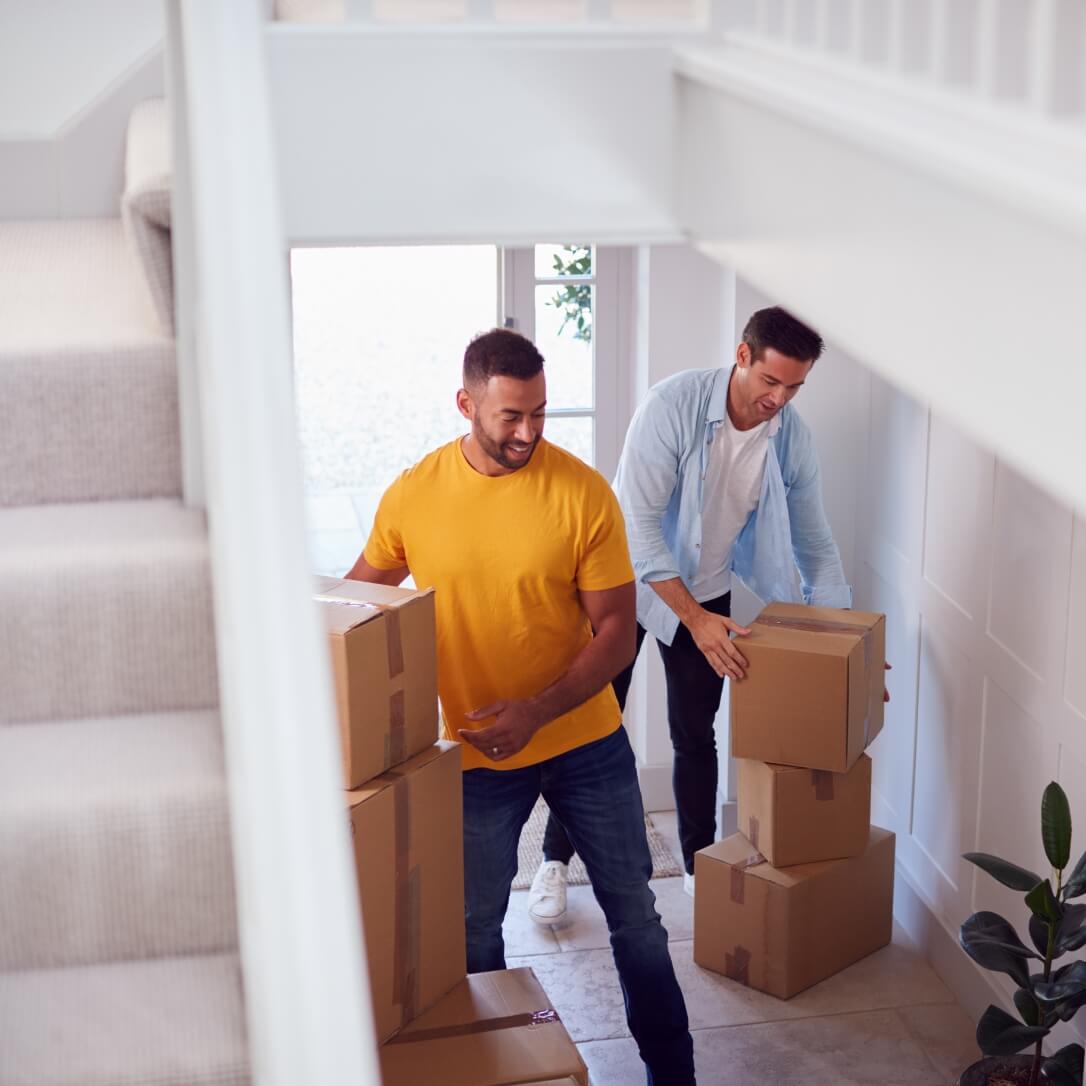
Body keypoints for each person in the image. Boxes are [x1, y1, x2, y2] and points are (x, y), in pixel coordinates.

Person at [347, 328, 696, 1086]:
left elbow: (616, 636)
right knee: (473, 928)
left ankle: (673, 1077)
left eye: (540, 412)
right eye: (511, 416)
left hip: (585, 742)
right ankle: (498, 1070)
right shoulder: (414, 495)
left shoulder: (582, 492)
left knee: (636, 918)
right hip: (477, 756)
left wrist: (537, 712)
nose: (529, 432)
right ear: (466, 403)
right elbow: (355, 608)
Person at [529, 306, 853, 924]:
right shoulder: (671, 405)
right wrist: (694, 620)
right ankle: (553, 862)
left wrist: (846, 648)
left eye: (794, 387)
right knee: (590, 724)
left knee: (695, 734)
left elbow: (816, 546)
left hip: (707, 588)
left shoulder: (791, 437)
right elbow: (637, 524)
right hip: (621, 583)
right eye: (770, 381)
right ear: (742, 356)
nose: (779, 399)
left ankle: (699, 867)